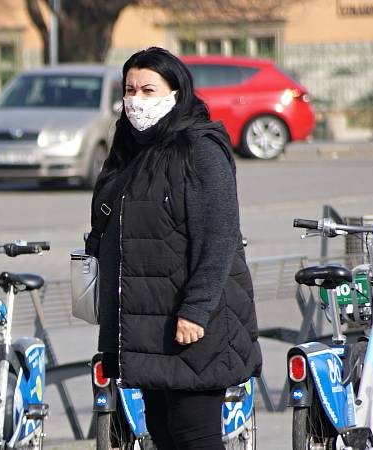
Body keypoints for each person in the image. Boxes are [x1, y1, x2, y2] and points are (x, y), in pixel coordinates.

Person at [87, 47, 262, 449]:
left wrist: (196, 310)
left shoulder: (200, 149)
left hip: (192, 323)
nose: (137, 100)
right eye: (130, 89)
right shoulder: (130, 149)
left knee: (194, 434)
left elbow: (219, 237)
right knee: (163, 433)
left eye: (149, 89)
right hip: (148, 322)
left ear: (176, 94)